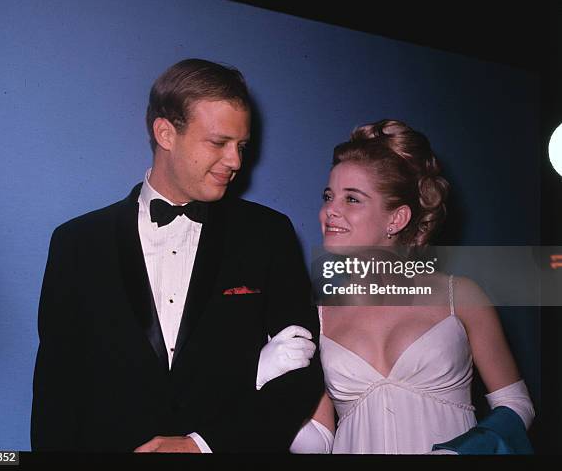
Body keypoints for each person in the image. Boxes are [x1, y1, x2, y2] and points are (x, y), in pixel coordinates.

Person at [31, 58, 324, 452]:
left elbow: (301, 377)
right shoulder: (77, 242)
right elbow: (57, 391)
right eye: (219, 143)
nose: (235, 161)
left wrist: (202, 445)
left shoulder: (267, 234)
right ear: (166, 133)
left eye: (241, 146)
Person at [290, 119, 534, 454]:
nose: (330, 211)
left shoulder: (459, 296)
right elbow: (318, 439)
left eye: (352, 199)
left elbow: (516, 404)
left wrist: (465, 451)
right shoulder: (316, 314)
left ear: (397, 218)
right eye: (329, 196)